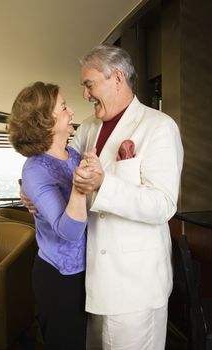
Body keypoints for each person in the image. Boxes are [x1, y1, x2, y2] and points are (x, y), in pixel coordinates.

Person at [22, 45, 184, 350]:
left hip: (135, 287)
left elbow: (164, 205)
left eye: (89, 84)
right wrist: (27, 188)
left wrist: (104, 184)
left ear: (118, 78)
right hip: (92, 284)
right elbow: (54, 163)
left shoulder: (159, 127)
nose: (85, 95)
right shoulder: (88, 129)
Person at [8, 81, 89, 350]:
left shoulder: (74, 155)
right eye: (64, 107)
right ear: (45, 121)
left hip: (88, 272)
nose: (72, 112)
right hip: (59, 279)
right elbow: (70, 231)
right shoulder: (35, 170)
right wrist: (80, 188)